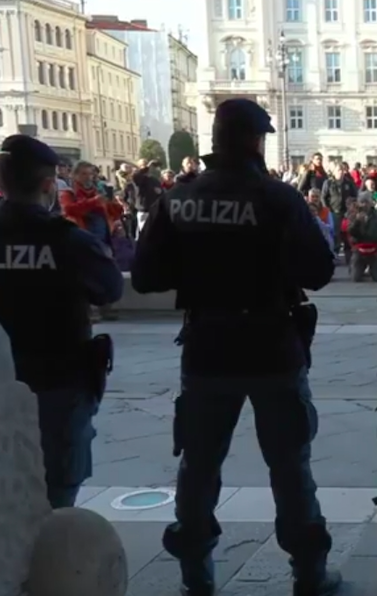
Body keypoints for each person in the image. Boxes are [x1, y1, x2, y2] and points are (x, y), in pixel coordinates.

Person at [130, 98, 341, 596]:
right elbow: (319, 270)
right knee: (289, 465)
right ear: (254, 141)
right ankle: (308, 572)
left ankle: (195, 573)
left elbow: (145, 276)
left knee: (199, 465)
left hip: (207, 346)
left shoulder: (179, 199)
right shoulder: (277, 198)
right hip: (272, 346)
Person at [0, 135, 124, 508]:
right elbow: (110, 289)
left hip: (6, 374)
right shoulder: (67, 240)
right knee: (58, 486)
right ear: (48, 185)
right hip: (58, 377)